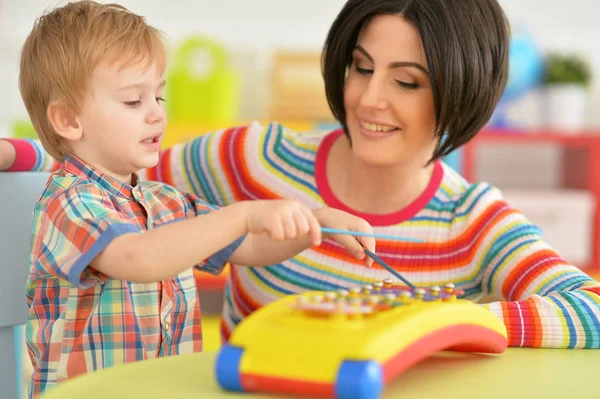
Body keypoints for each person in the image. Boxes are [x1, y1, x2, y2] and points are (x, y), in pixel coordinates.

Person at [3, 0, 599, 350]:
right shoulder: (253, 158)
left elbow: (590, 309)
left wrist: (441, 319)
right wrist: (20, 157)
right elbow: (107, 177)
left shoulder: (475, 221)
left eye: (407, 81)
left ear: (462, 95)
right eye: (361, 68)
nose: (368, 99)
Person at [16, 2, 377, 397]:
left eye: (159, 97)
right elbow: (139, 258)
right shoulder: (68, 202)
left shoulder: (166, 202)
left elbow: (252, 244)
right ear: (69, 120)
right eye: (134, 102)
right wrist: (241, 215)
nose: (156, 114)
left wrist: (316, 223)